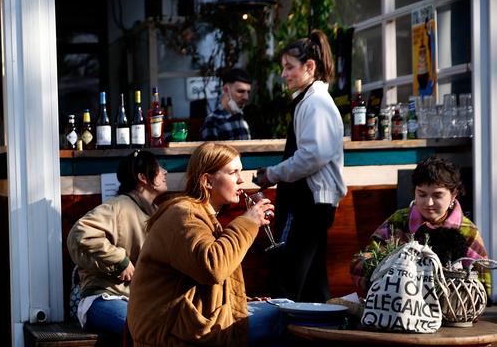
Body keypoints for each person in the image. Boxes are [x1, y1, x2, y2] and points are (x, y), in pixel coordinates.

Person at [128, 142, 288, 346]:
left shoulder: (200, 214)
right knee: (284, 316)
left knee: (285, 305)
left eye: (241, 171)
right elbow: (212, 267)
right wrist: (247, 223)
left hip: (188, 324)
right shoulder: (183, 215)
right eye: (233, 172)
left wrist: (238, 299)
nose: (241, 180)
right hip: (170, 333)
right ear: (207, 181)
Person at [253, 29, 346, 303]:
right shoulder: (312, 101)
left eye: (289, 67)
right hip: (313, 202)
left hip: (307, 203)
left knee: (286, 280)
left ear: (310, 67)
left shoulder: (315, 103)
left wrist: (272, 173)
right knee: (312, 284)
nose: (284, 74)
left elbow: (312, 156)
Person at [350, 156, 491, 296]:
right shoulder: (398, 221)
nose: (428, 203)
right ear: (414, 192)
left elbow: (483, 286)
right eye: (422, 194)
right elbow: (360, 264)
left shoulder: (467, 231)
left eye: (437, 195)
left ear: (454, 195)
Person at [67, 150, 168, 338]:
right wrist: (119, 260)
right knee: (145, 330)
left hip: (140, 301)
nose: (164, 172)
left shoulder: (157, 212)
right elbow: (79, 233)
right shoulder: (119, 206)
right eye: (158, 168)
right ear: (143, 177)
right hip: (104, 297)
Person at [200, 68, 252, 141]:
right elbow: (210, 152)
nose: (246, 97)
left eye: (248, 92)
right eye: (240, 91)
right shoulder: (212, 121)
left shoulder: (242, 120)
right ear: (226, 90)